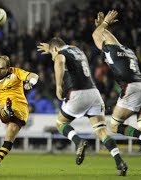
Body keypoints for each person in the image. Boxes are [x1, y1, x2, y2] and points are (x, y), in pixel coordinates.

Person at [37, 37, 128, 176]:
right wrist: (50, 49)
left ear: (55, 49)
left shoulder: (60, 54)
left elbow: (60, 59)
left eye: (51, 54)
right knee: (101, 131)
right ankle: (120, 162)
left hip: (77, 94)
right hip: (94, 93)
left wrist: (58, 86)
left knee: (60, 123)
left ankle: (78, 142)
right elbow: (60, 49)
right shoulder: (76, 49)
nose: (52, 57)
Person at [92, 10, 141, 175]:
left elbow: (96, 36)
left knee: (114, 125)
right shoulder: (128, 52)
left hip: (132, 88)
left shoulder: (109, 49)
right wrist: (101, 27)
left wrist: (104, 25)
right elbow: (105, 37)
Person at [0, 55, 39, 170]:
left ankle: (7, 109)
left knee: (0, 108)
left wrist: (31, 83)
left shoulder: (16, 72)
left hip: (20, 109)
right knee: (8, 138)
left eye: (2, 68)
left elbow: (34, 76)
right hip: (8, 112)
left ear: (8, 68)